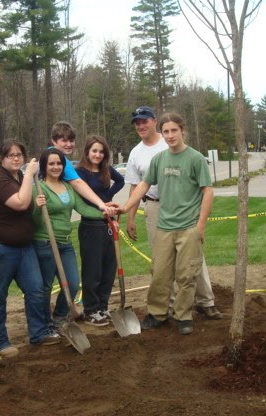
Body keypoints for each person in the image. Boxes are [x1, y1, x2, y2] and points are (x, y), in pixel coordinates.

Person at [120, 112, 214, 336]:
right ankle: (158, 313)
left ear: (182, 131)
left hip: (188, 226)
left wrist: (200, 225)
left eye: (174, 130)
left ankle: (183, 315)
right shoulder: (159, 160)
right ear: (162, 133)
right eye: (166, 131)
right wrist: (126, 207)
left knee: (186, 275)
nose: (170, 135)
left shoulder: (195, 158)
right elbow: (143, 185)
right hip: (164, 226)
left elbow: (207, 191)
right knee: (160, 272)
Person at [0, 139, 60, 359]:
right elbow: (21, 203)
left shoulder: (20, 178)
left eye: (19, 155)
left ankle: (39, 333)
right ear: (2, 159)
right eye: (10, 155)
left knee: (35, 289)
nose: (15, 158)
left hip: (23, 247)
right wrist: (31, 174)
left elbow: (28, 207)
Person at [32, 148, 106, 331]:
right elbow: (33, 221)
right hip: (46, 243)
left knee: (73, 283)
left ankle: (59, 316)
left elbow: (83, 208)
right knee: (46, 287)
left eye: (59, 163)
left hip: (65, 243)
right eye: (51, 164)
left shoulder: (68, 186)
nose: (56, 167)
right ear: (44, 166)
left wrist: (105, 213)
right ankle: (45, 325)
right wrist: (36, 207)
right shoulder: (39, 188)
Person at [75, 135, 125, 326]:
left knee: (108, 268)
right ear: (87, 151)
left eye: (101, 151)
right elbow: (82, 194)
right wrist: (98, 203)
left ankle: (103, 307)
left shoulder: (105, 169)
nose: (97, 155)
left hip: (109, 223)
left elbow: (120, 180)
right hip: (91, 225)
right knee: (93, 270)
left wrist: (108, 198)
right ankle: (91, 309)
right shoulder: (80, 172)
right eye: (94, 151)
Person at [49, 121, 118, 219]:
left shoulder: (54, 155)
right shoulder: (58, 159)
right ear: (54, 141)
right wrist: (101, 204)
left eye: (71, 140)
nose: (69, 144)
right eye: (64, 141)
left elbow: (81, 207)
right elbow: (77, 183)